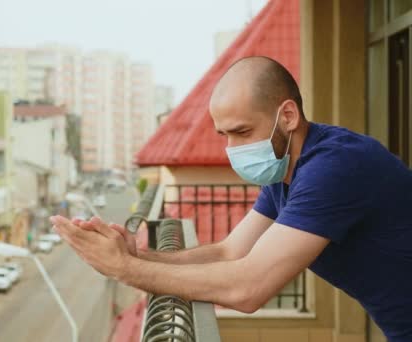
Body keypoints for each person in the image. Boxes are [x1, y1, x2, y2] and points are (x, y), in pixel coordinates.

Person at [50, 56, 412, 341]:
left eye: (242, 132)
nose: (233, 149)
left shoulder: (334, 167)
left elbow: (247, 288)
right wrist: (138, 255)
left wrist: (125, 270)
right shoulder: (285, 168)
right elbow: (230, 251)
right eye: (225, 135)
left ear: (287, 115)